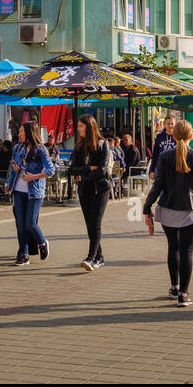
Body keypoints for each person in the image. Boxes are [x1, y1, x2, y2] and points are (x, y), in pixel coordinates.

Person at [143, 119, 193, 307]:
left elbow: (158, 185)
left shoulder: (164, 157)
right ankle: (184, 294)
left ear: (173, 135)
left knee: (173, 248)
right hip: (190, 210)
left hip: (168, 208)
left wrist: (146, 206)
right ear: (191, 135)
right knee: (187, 250)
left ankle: (174, 286)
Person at [69, 115, 113, 271]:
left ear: (90, 127)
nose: (79, 129)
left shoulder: (103, 145)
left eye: (81, 126)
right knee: (89, 224)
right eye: (78, 126)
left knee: (95, 223)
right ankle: (99, 257)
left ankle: (90, 257)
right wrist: (88, 169)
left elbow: (101, 170)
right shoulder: (79, 146)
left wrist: (84, 175)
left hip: (100, 189)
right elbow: (72, 169)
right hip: (84, 189)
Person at [9, 121, 53, 266]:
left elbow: (50, 170)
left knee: (30, 223)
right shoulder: (17, 148)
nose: (19, 134)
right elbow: (13, 167)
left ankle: (42, 243)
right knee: (20, 225)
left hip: (34, 191)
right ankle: (23, 254)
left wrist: (33, 177)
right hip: (18, 189)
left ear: (29, 133)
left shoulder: (40, 150)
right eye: (19, 132)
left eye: (22, 132)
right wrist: (9, 183)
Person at [150, 114, 177, 181]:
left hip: (174, 168)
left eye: (172, 124)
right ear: (164, 124)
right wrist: (152, 170)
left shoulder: (178, 137)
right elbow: (155, 154)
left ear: (175, 124)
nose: (170, 125)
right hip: (160, 167)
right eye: (168, 124)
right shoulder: (159, 136)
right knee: (161, 190)